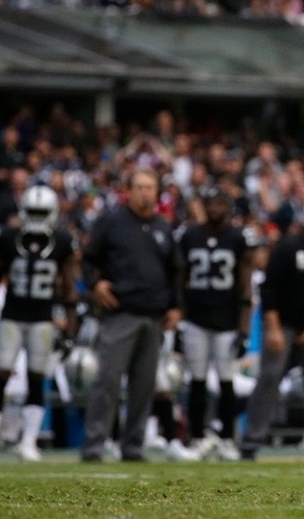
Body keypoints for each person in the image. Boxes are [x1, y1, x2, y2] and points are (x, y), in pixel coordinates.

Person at [80, 168, 181, 463]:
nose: (145, 192)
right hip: (120, 313)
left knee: (144, 386)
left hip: (154, 317)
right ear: (129, 191)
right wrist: (95, 284)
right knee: (107, 381)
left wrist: (175, 306)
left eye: (150, 187)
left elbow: (176, 271)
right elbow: (87, 259)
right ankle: (94, 445)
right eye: (139, 187)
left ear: (157, 191)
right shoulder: (112, 222)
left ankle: (133, 446)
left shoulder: (163, 228)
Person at [239, 200, 304, 461]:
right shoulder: (289, 247)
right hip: (283, 325)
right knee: (269, 377)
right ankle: (252, 440)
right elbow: (270, 289)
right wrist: (273, 328)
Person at [0, 184, 78, 461]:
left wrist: (70, 328)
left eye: (41, 212)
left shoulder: (62, 241)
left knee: (36, 377)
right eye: (33, 211)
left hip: (42, 318)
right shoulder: (9, 237)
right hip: (12, 315)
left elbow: (69, 287)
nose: (36, 217)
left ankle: (29, 440)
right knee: (2, 372)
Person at [178, 186, 253, 461]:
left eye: (221, 203)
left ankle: (227, 439)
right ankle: (197, 437)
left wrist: (244, 328)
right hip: (196, 319)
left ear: (229, 207)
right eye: (211, 203)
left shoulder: (238, 238)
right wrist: (180, 317)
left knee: (226, 382)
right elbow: (180, 279)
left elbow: (245, 285)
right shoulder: (190, 235)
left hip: (227, 321)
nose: (215, 208)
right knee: (196, 382)